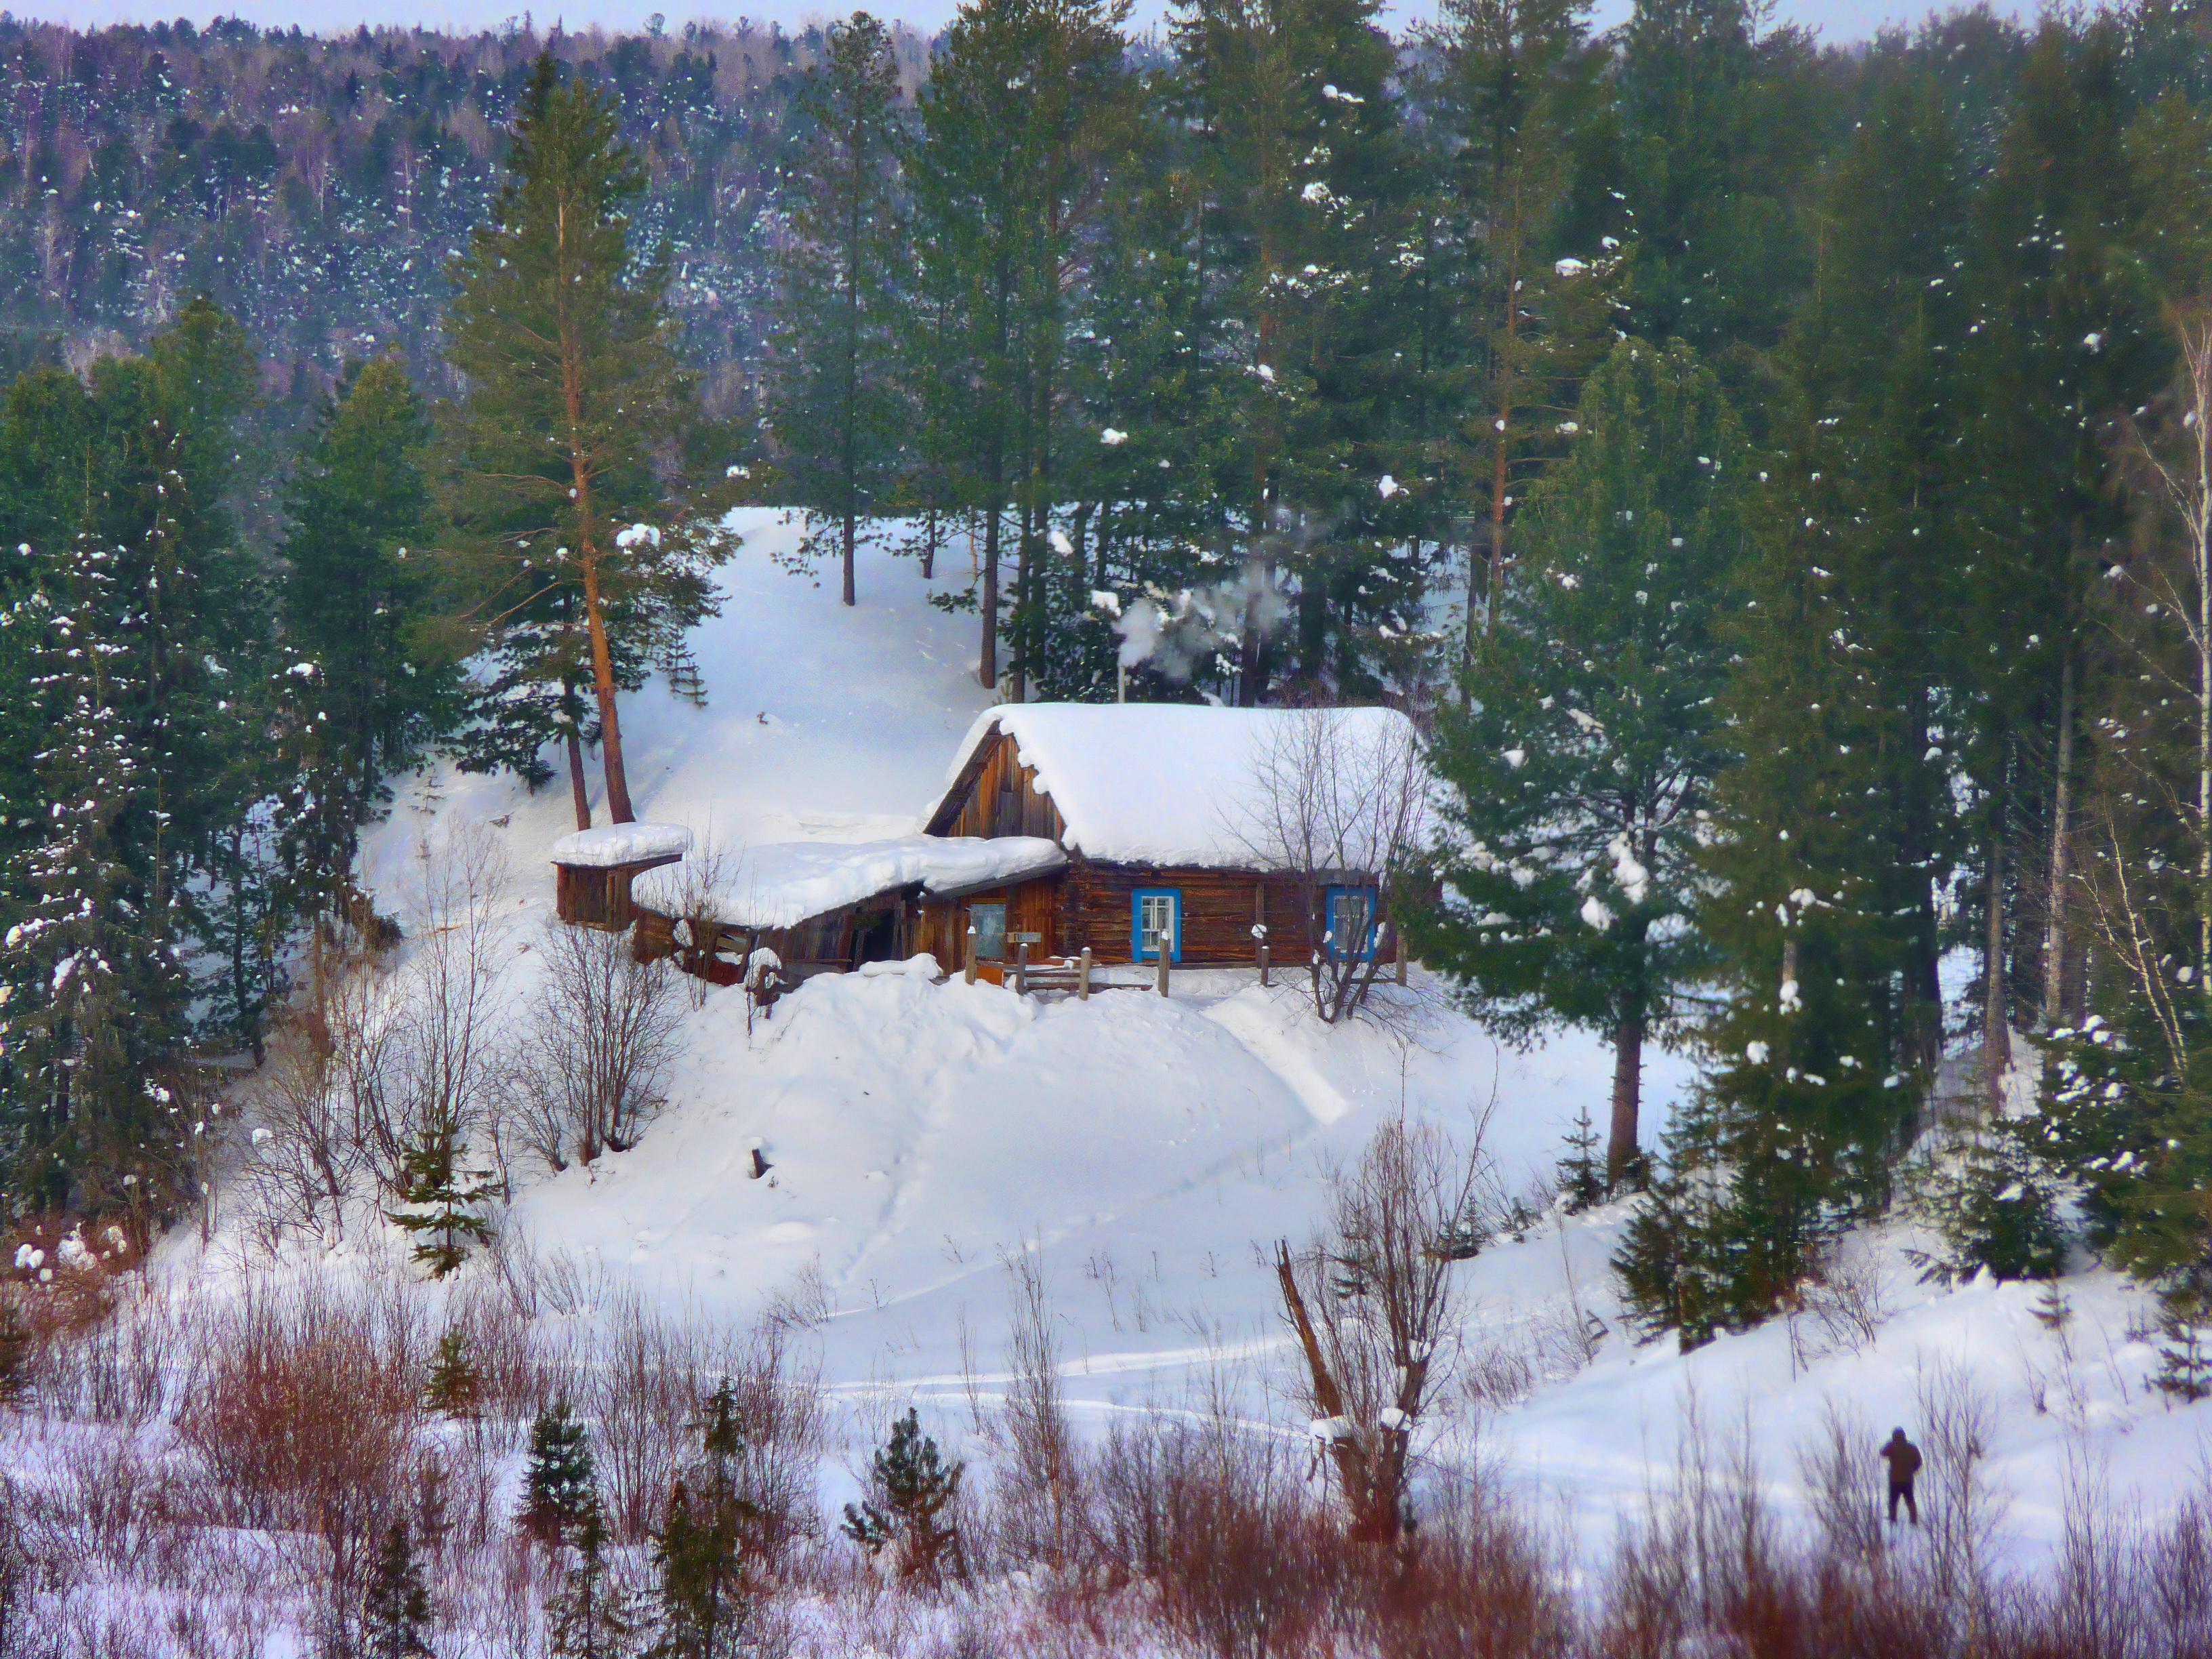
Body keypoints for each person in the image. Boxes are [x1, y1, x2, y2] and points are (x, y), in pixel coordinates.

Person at [1881, 1427, 1922, 1525]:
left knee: (1893, 1502)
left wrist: (1889, 1443)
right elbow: (1919, 1463)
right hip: (1908, 1480)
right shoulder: (1912, 1448)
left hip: (1894, 1480)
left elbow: (1883, 1453)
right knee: (1910, 1501)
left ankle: (1893, 1520)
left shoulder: (1892, 1446)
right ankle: (1913, 1521)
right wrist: (1911, 1471)